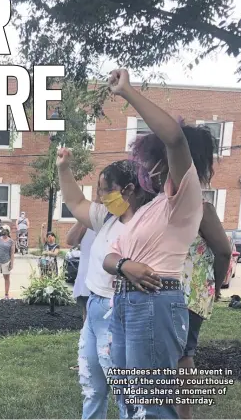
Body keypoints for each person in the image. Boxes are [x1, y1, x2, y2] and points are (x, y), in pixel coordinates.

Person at [102, 69, 209, 419]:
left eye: (152, 160)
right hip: (125, 301)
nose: (147, 168)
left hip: (154, 300)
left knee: (152, 404)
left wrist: (128, 92)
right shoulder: (152, 207)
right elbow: (110, 255)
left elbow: (176, 139)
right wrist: (123, 265)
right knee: (127, 397)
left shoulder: (185, 196)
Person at [130, 120, 231, 420]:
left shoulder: (199, 207)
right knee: (178, 355)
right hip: (174, 292)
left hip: (185, 294)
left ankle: (181, 415)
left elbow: (224, 250)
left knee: (182, 356)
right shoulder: (167, 204)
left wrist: (216, 282)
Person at [58, 154, 154, 419]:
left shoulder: (146, 225)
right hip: (95, 307)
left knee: (127, 395)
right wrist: (64, 168)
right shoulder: (109, 217)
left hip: (121, 314)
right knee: (92, 387)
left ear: (130, 189)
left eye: (105, 190)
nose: (100, 197)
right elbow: (75, 201)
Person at [65, 221, 92, 322]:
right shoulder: (87, 223)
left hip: (106, 280)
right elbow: (70, 240)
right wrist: (83, 218)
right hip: (86, 278)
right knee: (87, 315)